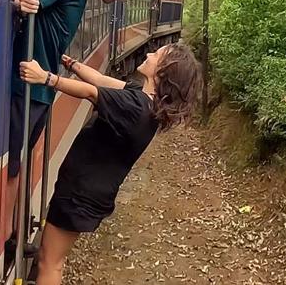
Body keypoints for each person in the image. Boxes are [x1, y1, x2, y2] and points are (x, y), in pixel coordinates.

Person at [7, 0, 152, 249]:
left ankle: (15, 233)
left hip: (37, 95)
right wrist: (21, 0)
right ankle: (4, 237)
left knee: (21, 162)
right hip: (26, 90)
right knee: (11, 166)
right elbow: (28, 0)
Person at [18, 42, 201, 285]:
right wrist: (70, 63)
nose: (148, 54)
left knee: (50, 263)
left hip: (79, 195)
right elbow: (99, 80)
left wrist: (46, 78)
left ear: (164, 71)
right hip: (87, 193)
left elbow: (91, 92)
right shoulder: (145, 102)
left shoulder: (135, 107)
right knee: (51, 260)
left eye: (155, 55)